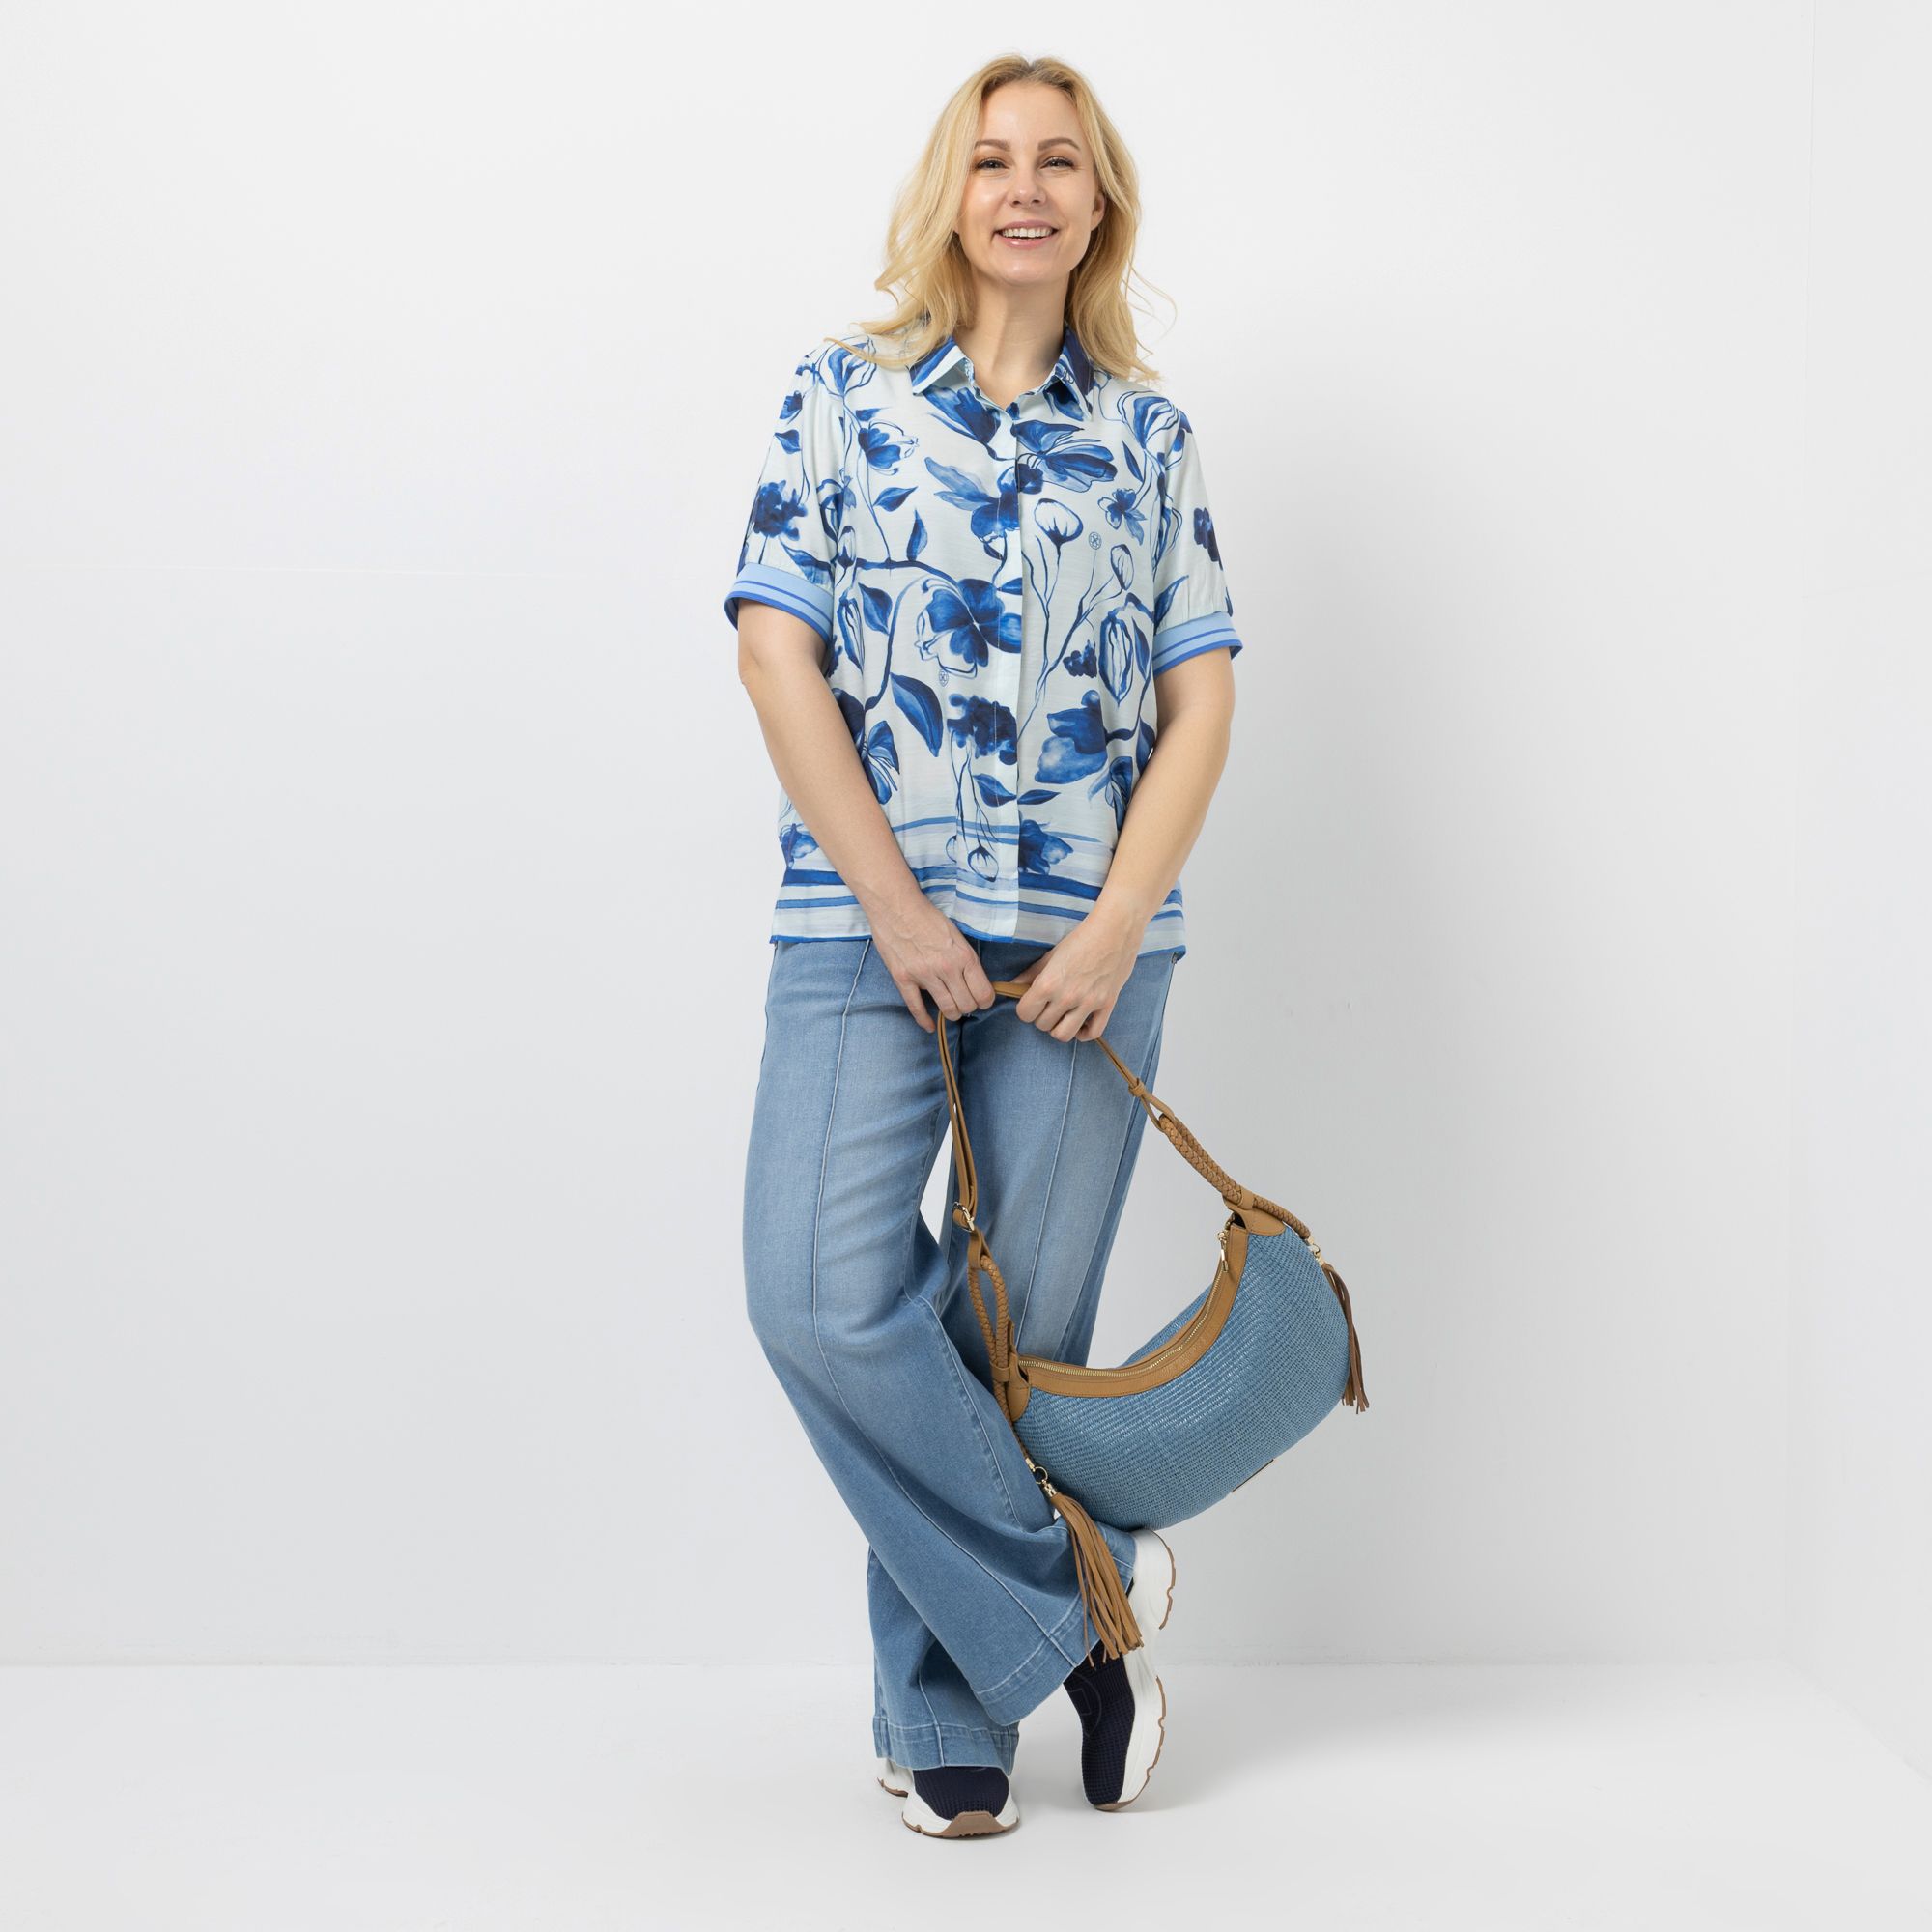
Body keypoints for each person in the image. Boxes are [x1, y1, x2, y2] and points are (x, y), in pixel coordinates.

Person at [725, 52, 1242, 1840]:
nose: (1026, 188)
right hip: (867, 924)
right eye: (993, 159)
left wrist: (1117, 924)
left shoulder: (1149, 439)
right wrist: (896, 906)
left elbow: (1200, 699)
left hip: (1093, 946)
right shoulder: (840, 398)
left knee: (1005, 1334)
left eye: (1061, 163)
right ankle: (1080, 1604)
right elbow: (776, 654)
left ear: (1099, 206)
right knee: (811, 1293)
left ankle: (945, 1709)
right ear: (951, 194)